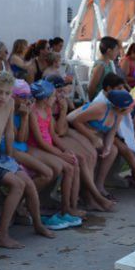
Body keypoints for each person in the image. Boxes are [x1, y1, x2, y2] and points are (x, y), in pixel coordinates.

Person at [0, 71, 55, 249]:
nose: (3, 97)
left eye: (7, 93)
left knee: (29, 184)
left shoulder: (9, 103)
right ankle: (2, 235)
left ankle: (38, 224)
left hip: (0, 155)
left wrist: (10, 158)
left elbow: (9, 130)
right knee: (18, 185)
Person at [44, 75, 114, 212]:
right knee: (80, 158)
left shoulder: (61, 101)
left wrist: (64, 108)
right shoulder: (47, 104)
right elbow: (58, 132)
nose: (61, 94)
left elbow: (63, 128)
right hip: (53, 135)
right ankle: (92, 196)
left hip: (63, 129)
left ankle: (87, 196)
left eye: (62, 90)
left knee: (91, 154)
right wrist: (63, 110)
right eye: (58, 91)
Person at [27, 80, 83, 226]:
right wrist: (60, 155)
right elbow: (40, 141)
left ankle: (69, 207)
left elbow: (53, 134)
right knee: (68, 166)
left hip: (48, 147)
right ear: (45, 99)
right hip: (37, 148)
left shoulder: (47, 110)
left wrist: (65, 149)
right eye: (53, 96)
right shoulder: (33, 113)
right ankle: (65, 209)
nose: (55, 99)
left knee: (74, 164)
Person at [88, 36, 120, 100]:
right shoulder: (100, 66)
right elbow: (92, 87)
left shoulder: (110, 63)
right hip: (100, 99)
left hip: (108, 96)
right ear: (109, 51)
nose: (118, 53)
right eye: (116, 50)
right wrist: (92, 102)